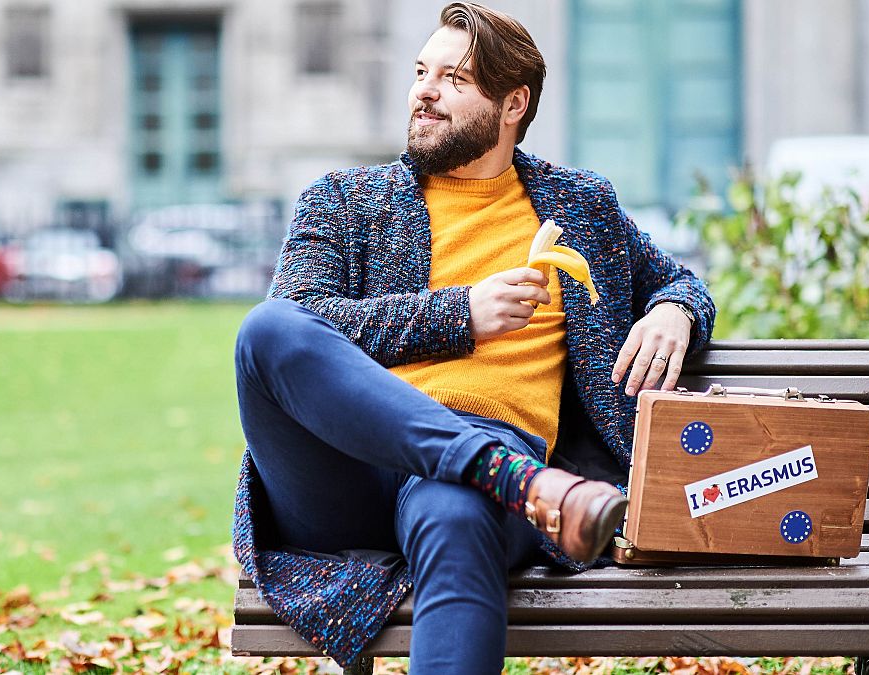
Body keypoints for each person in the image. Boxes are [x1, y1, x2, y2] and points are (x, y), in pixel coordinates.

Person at [231, 3, 716, 673]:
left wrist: (674, 311)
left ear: (513, 102)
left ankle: (494, 472)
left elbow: (681, 281)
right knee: (266, 329)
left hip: (479, 482)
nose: (425, 92)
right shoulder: (345, 199)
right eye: (422, 71)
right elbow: (306, 325)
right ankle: (507, 475)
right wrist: (458, 314)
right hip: (349, 471)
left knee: (457, 511)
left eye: (454, 79)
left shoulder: (578, 206)